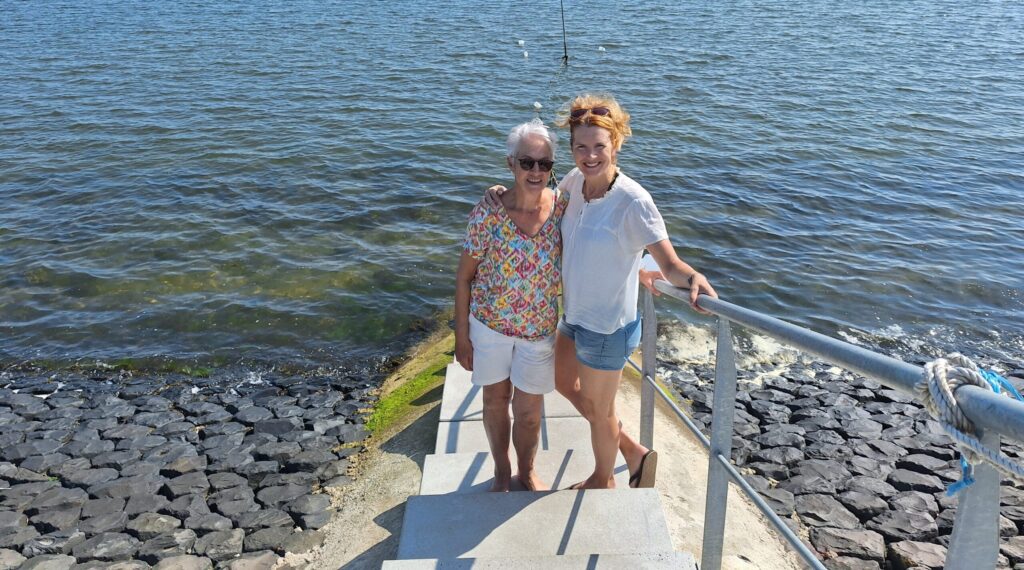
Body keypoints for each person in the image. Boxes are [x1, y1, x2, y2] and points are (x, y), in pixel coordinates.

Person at [488, 93, 717, 489]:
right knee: (563, 383)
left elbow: (669, 263)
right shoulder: (574, 183)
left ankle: (603, 478)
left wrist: (692, 278)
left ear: (617, 144)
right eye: (581, 147)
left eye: (599, 146)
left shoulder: (633, 201)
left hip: (608, 327)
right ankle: (631, 449)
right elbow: (541, 207)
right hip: (574, 317)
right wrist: (501, 192)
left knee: (600, 409)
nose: (590, 156)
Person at [454, 118, 568, 492]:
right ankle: (502, 471)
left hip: (538, 331)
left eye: (544, 163)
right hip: (489, 326)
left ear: (552, 167)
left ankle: (527, 470)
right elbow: (464, 277)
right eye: (526, 162)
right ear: (511, 163)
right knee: (495, 401)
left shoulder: (563, 208)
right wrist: (461, 336)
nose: (535, 171)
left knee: (530, 413)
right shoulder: (487, 212)